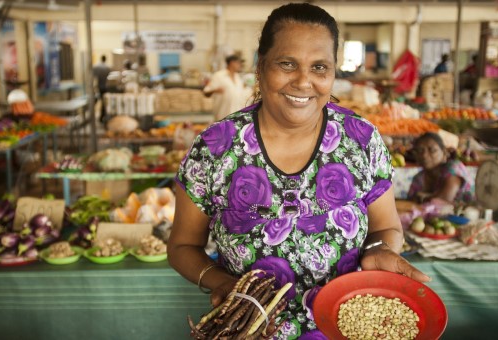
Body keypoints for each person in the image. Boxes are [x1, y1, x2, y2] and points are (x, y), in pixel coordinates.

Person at [167, 3, 430, 339]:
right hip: (250, 331)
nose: (304, 81)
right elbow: (182, 247)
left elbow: (387, 227)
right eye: (287, 64)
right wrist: (226, 285)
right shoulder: (217, 147)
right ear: (261, 67)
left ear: (334, 73)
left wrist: (378, 250)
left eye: (319, 67)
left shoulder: (360, 139)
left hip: (344, 328)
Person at [408, 132, 475, 204]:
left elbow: (443, 199)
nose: (424, 155)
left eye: (432, 150)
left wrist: (423, 198)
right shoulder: (419, 178)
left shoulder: (453, 167)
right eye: (420, 151)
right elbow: (410, 201)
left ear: (444, 152)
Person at [203, 54, 248, 121]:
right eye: (238, 63)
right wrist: (214, 90)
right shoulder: (218, 76)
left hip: (236, 117)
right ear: (232, 63)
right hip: (222, 116)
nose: (240, 65)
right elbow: (206, 92)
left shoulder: (238, 78)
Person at [92, 55, 111, 123]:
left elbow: (94, 78)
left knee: (96, 102)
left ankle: (93, 116)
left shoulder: (96, 67)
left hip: (99, 87)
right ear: (105, 59)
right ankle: (102, 117)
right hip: (105, 88)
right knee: (104, 103)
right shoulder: (108, 67)